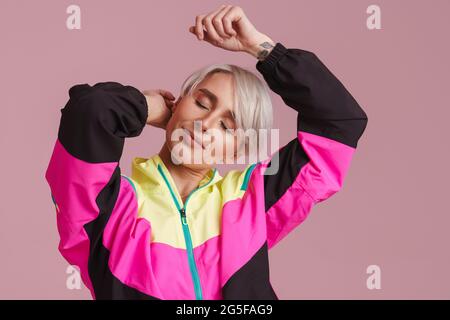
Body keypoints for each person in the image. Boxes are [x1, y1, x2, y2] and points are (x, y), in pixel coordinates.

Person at [45, 4, 368, 300]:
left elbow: (339, 122)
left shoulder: (254, 198)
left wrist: (262, 49)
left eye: (228, 127)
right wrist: (144, 106)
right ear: (177, 103)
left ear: (238, 149)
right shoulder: (108, 204)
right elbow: (90, 111)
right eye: (201, 103)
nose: (205, 124)